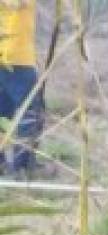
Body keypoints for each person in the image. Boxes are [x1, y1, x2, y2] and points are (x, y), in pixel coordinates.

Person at [0, 0, 42, 177]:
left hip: (6, 55)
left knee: (3, 111)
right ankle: (23, 165)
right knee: (29, 113)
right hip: (18, 58)